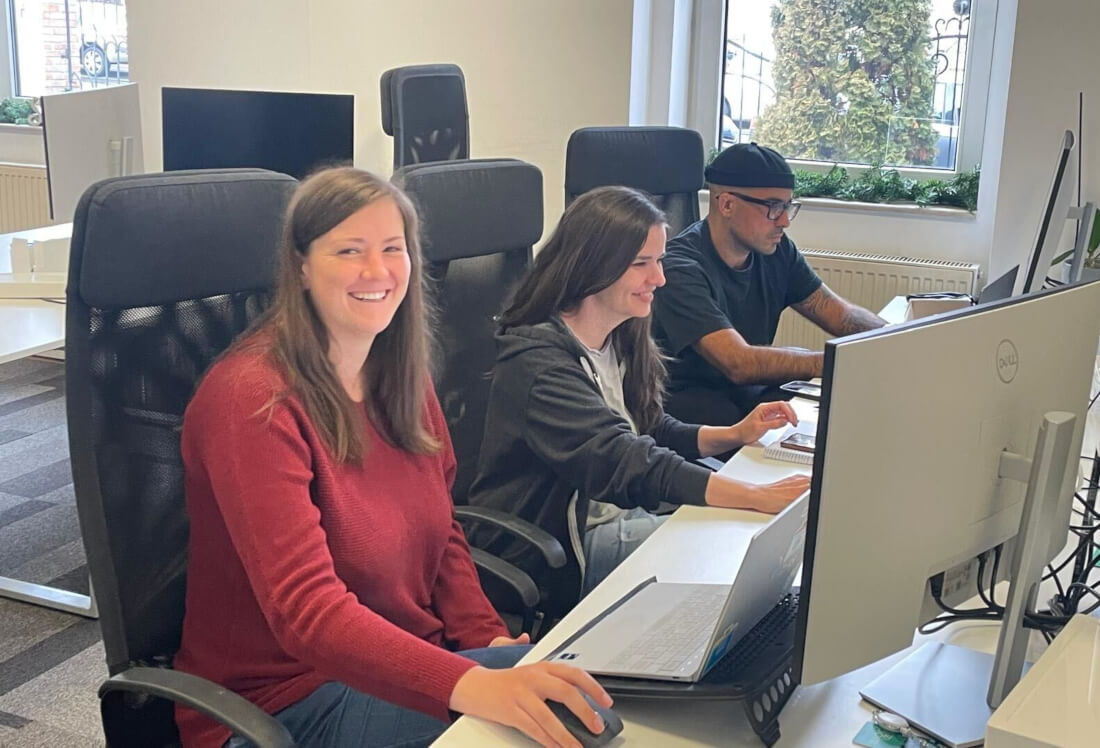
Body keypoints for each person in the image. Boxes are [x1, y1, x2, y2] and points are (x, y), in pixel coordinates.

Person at [174, 167, 612, 748]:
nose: (376, 272)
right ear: (301, 266)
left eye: (392, 248)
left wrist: (486, 636)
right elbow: (309, 614)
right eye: (348, 250)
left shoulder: (397, 377)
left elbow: (443, 533)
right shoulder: (252, 399)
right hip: (283, 704)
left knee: (591, 703)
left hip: (399, 665)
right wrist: (474, 682)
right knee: (546, 733)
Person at [467, 186, 811, 602]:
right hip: (561, 549)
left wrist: (733, 434)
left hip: (622, 514)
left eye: (660, 260)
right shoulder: (537, 362)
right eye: (640, 264)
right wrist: (753, 496)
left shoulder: (621, 334)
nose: (659, 278)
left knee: (747, 538)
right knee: (731, 549)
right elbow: (625, 460)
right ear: (592, 267)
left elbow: (647, 426)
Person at [652, 142, 886, 426]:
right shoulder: (679, 267)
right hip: (684, 405)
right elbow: (738, 362)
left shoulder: (777, 251)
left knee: (828, 412)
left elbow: (837, 313)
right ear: (727, 204)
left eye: (788, 206)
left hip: (744, 393)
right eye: (774, 207)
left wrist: (896, 339)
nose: (785, 221)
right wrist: (832, 361)